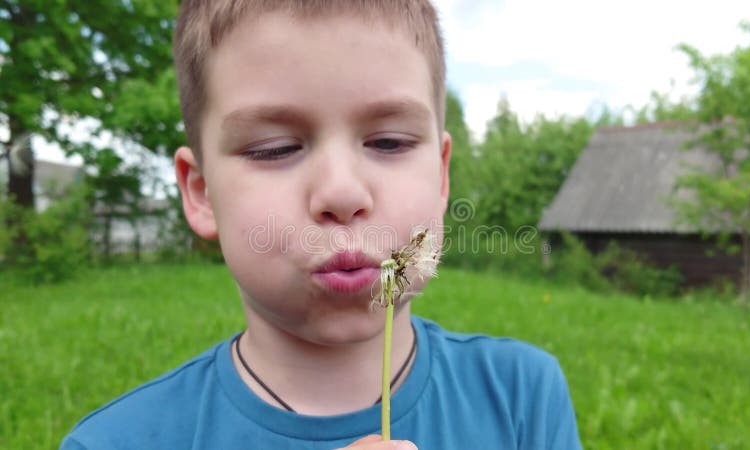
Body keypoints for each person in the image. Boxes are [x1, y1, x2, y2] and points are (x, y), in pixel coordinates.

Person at [60, 1, 582, 449]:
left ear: (442, 176)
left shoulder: (522, 399)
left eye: (389, 143)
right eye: (275, 149)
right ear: (201, 193)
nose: (342, 192)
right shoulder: (116, 442)